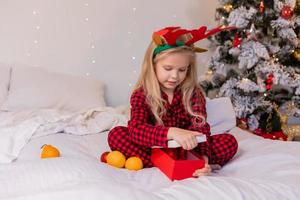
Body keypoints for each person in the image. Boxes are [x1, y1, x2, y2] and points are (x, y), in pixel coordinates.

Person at [108, 26, 238, 177]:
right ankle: (164, 161)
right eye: (168, 68)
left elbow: (200, 127)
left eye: (182, 70)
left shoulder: (193, 93)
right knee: (117, 135)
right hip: (154, 148)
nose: (175, 76)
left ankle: (184, 163)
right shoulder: (142, 94)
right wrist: (173, 132)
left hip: (187, 148)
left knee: (229, 141)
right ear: (153, 65)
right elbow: (137, 130)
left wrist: (203, 159)